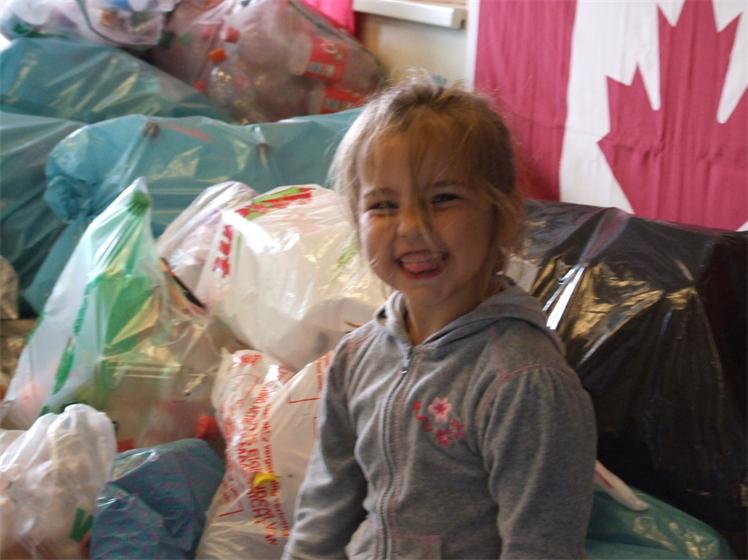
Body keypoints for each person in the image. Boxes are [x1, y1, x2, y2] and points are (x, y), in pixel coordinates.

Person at [283, 76, 597, 559]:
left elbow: (542, 548)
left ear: (502, 211)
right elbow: (323, 516)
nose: (412, 227)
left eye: (443, 198)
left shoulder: (524, 383)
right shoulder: (355, 357)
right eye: (383, 206)